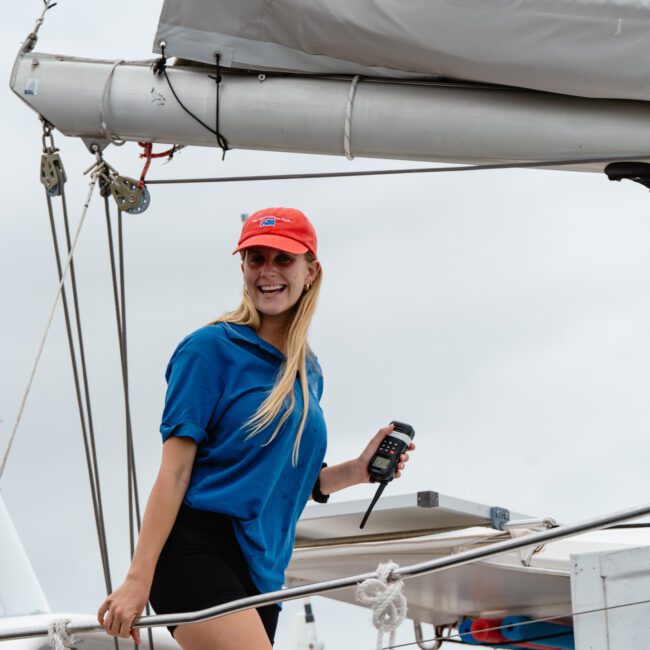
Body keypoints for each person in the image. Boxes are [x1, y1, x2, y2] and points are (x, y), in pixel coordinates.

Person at [97, 207, 415, 650]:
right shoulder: (208, 349)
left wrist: (358, 470)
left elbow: (278, 481)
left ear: (310, 271)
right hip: (197, 548)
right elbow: (174, 473)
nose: (267, 272)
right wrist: (137, 580)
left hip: (263, 572)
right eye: (255, 258)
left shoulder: (308, 373)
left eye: (282, 259)